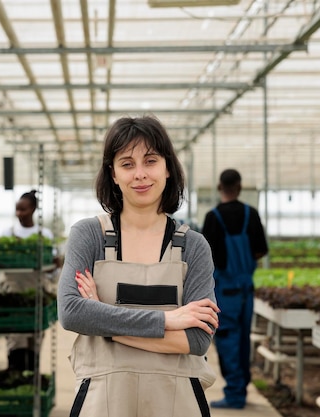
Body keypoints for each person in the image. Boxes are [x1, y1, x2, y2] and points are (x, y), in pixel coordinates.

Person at [57, 115, 220, 417]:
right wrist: (169, 321)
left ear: (168, 168)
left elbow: (197, 339)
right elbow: (71, 312)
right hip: (102, 402)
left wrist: (105, 324)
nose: (140, 174)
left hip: (177, 402)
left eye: (150, 161)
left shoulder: (193, 246)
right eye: (127, 164)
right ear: (113, 174)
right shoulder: (89, 235)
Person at [201, 168, 269, 409]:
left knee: (228, 340)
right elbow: (261, 250)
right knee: (242, 341)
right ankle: (240, 388)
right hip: (246, 290)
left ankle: (235, 394)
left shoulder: (213, 217)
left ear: (220, 188)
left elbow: (205, 256)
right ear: (239, 188)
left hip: (225, 290)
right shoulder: (251, 215)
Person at [1, 190, 54, 371]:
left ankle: (32, 384)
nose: (19, 214)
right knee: (15, 340)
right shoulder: (8, 234)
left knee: (34, 341)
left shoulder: (44, 235)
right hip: (13, 295)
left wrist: (56, 264)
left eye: (22, 209)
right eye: (17, 209)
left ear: (32, 209)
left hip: (36, 295)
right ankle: (15, 379)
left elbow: (51, 272)